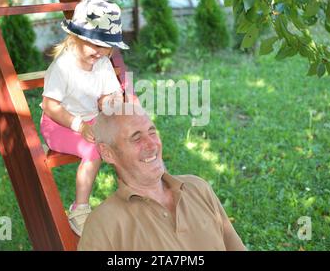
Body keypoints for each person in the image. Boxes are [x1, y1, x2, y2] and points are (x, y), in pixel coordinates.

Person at [78, 103, 246, 251]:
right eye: (136, 138)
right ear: (108, 153)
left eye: (152, 132)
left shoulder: (197, 188)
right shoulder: (103, 224)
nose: (152, 144)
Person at [40, 0, 129, 236]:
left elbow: (113, 94)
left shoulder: (101, 63)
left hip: (91, 119)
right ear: (75, 37)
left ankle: (134, 195)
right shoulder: (63, 67)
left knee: (123, 140)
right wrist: (79, 126)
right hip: (60, 124)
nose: (101, 52)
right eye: (95, 44)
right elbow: (50, 106)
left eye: (106, 46)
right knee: (93, 149)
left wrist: (109, 102)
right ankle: (79, 209)